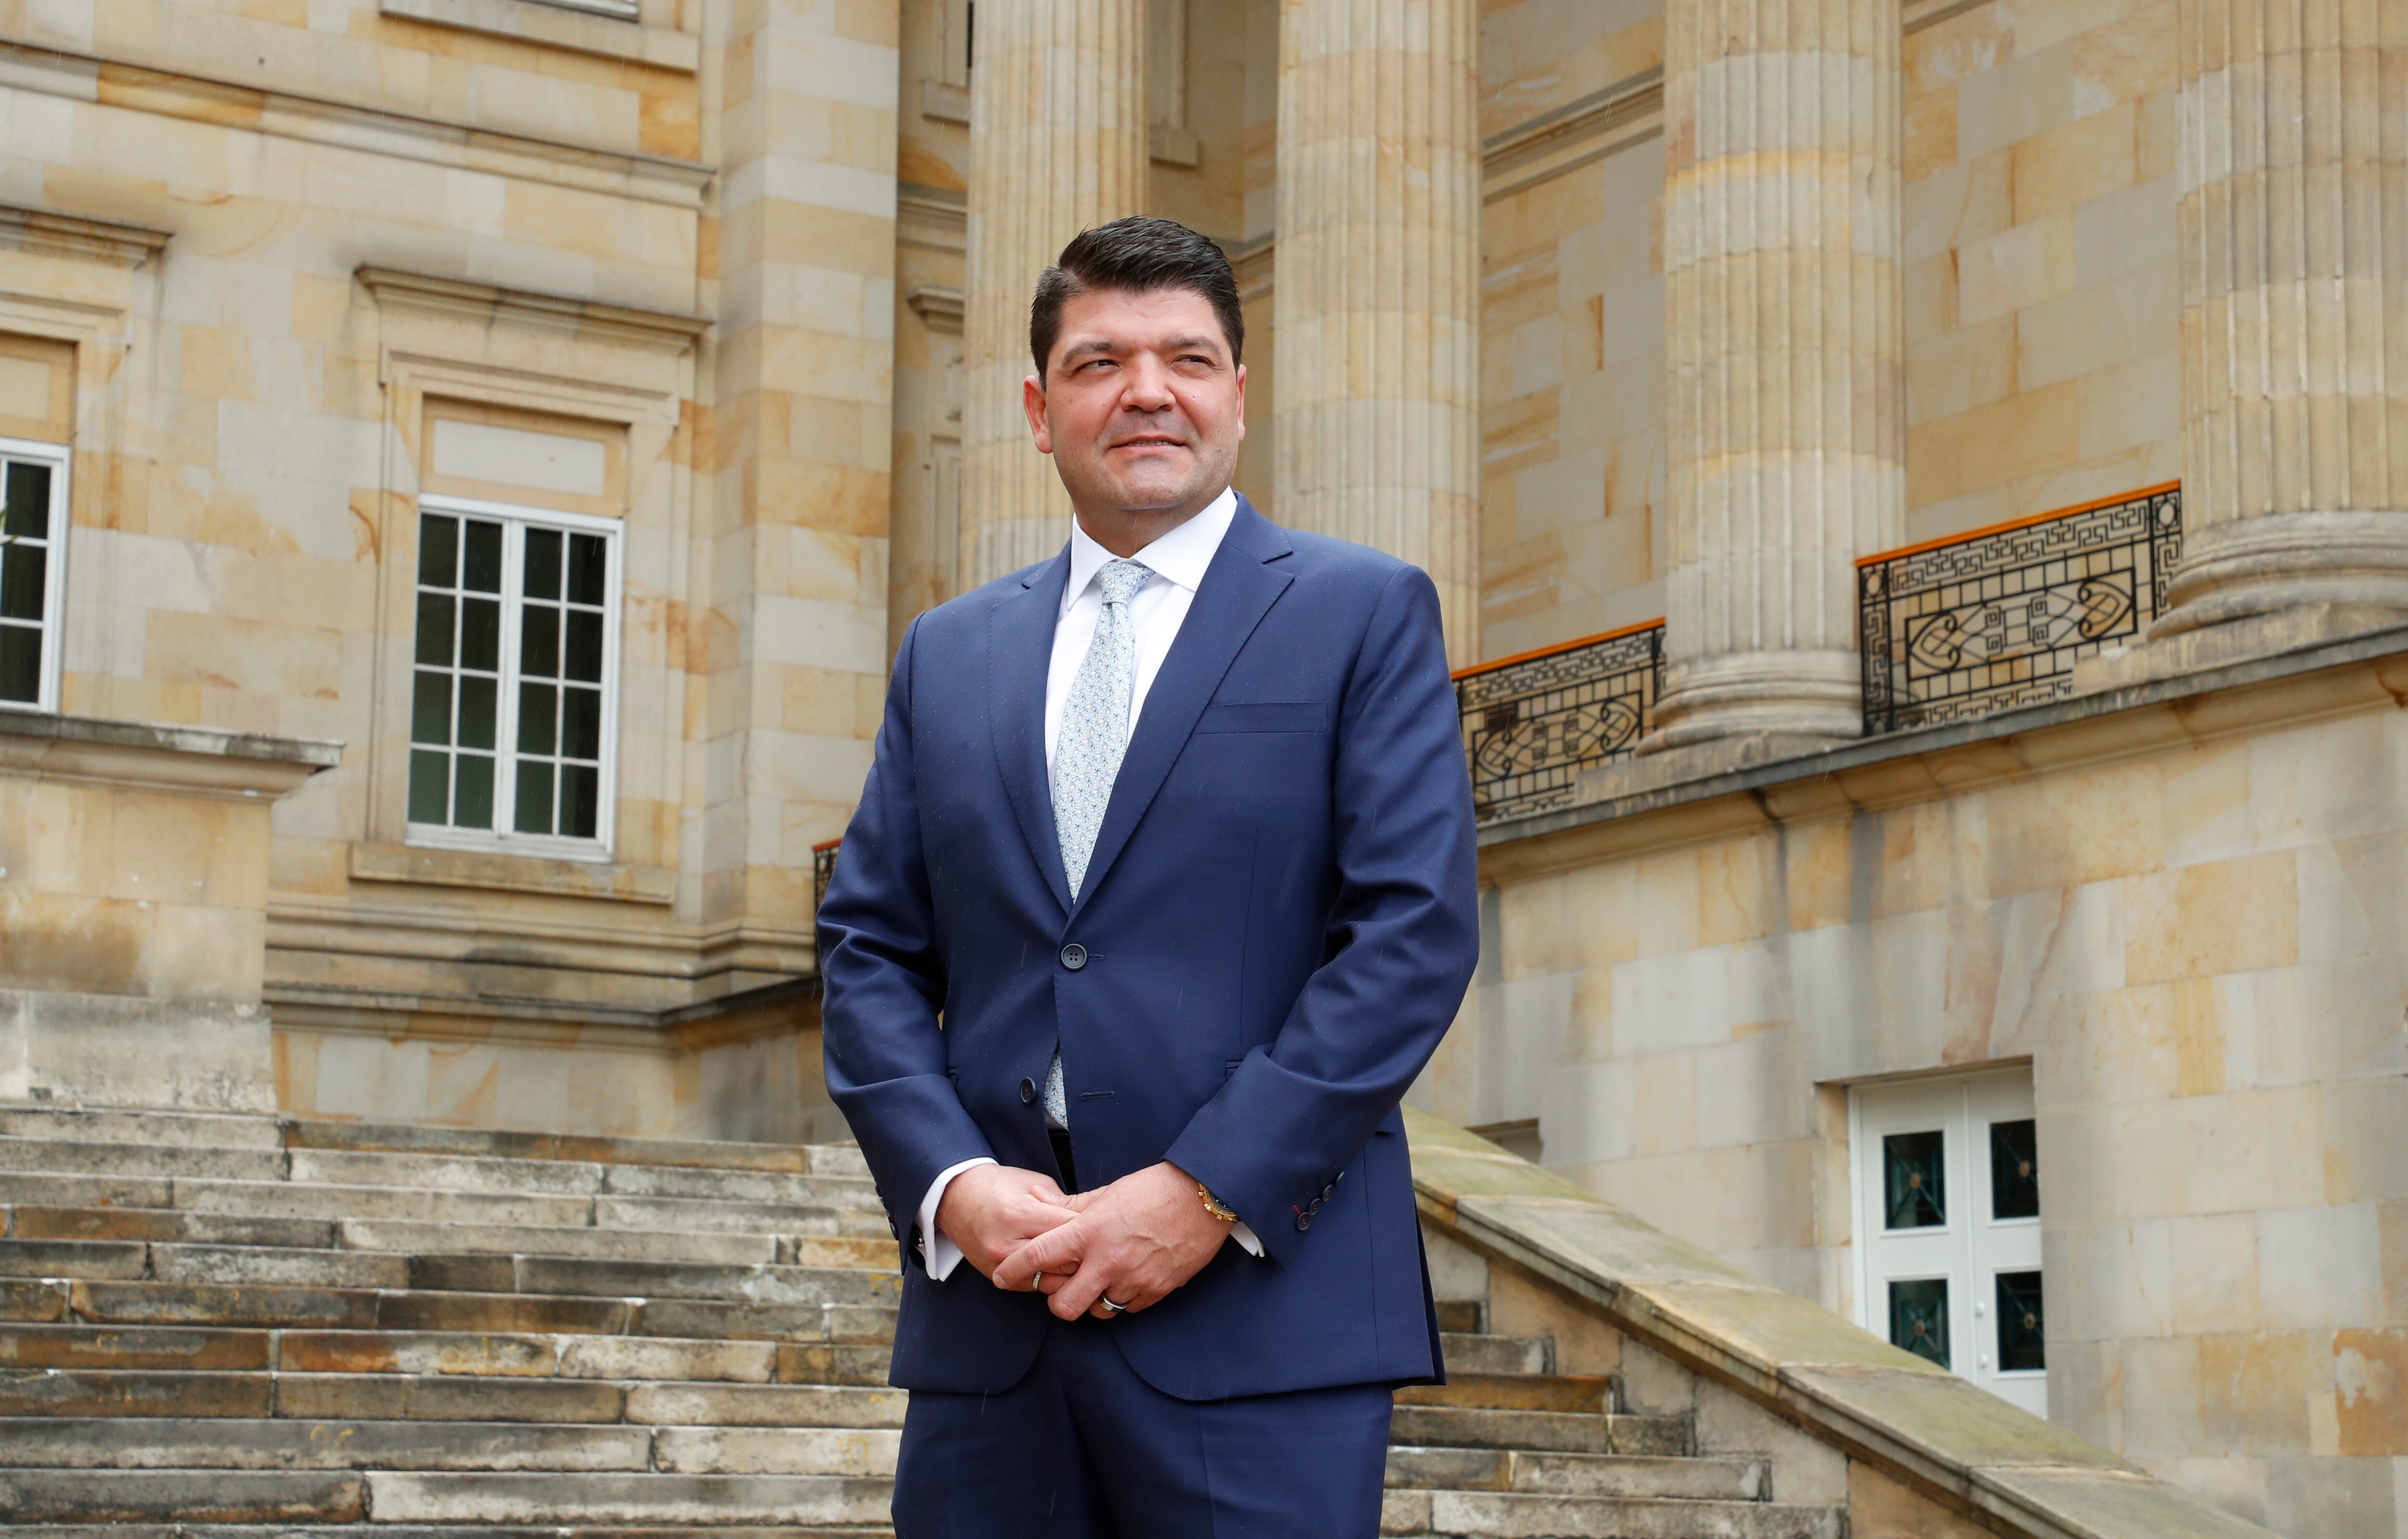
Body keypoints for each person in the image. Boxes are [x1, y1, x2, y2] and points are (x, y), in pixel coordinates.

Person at [818, 214, 1479, 1538]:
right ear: (1037, 405)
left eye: (1187, 356)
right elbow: (869, 949)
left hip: (1259, 1325)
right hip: (994, 1334)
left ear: (1238, 390)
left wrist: (1204, 1191)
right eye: (1099, 361)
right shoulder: (947, 653)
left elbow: (1410, 935)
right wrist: (949, 1180)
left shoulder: (1362, 613)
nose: (1147, 392)